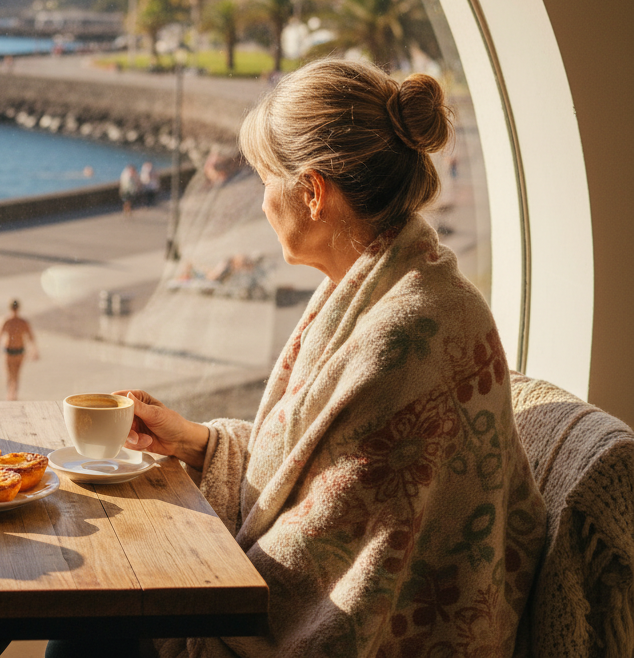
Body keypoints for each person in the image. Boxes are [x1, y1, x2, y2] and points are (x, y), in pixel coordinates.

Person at [48, 59, 545, 658]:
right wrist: (199, 443)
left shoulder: (407, 337)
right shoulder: (384, 291)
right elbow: (321, 477)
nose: (260, 203)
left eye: (264, 179)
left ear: (312, 192)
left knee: (87, 632)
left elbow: (326, 572)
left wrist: (179, 587)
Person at [0, 299, 38, 401]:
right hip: (11, 351)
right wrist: (34, 350)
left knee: (13, 374)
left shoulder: (10, 321)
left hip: (16, 351)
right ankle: (11, 393)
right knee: (12, 374)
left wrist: (34, 350)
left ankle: (12, 394)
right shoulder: (11, 321)